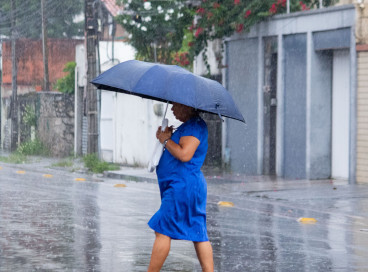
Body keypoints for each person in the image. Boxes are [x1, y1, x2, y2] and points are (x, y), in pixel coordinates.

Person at [147, 102, 214, 272]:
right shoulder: (188, 126)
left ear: (189, 106)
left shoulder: (195, 127)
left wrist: (166, 139)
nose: (173, 109)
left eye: (176, 106)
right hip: (185, 187)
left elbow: (184, 154)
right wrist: (167, 136)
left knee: (162, 229)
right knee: (198, 233)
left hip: (183, 187)